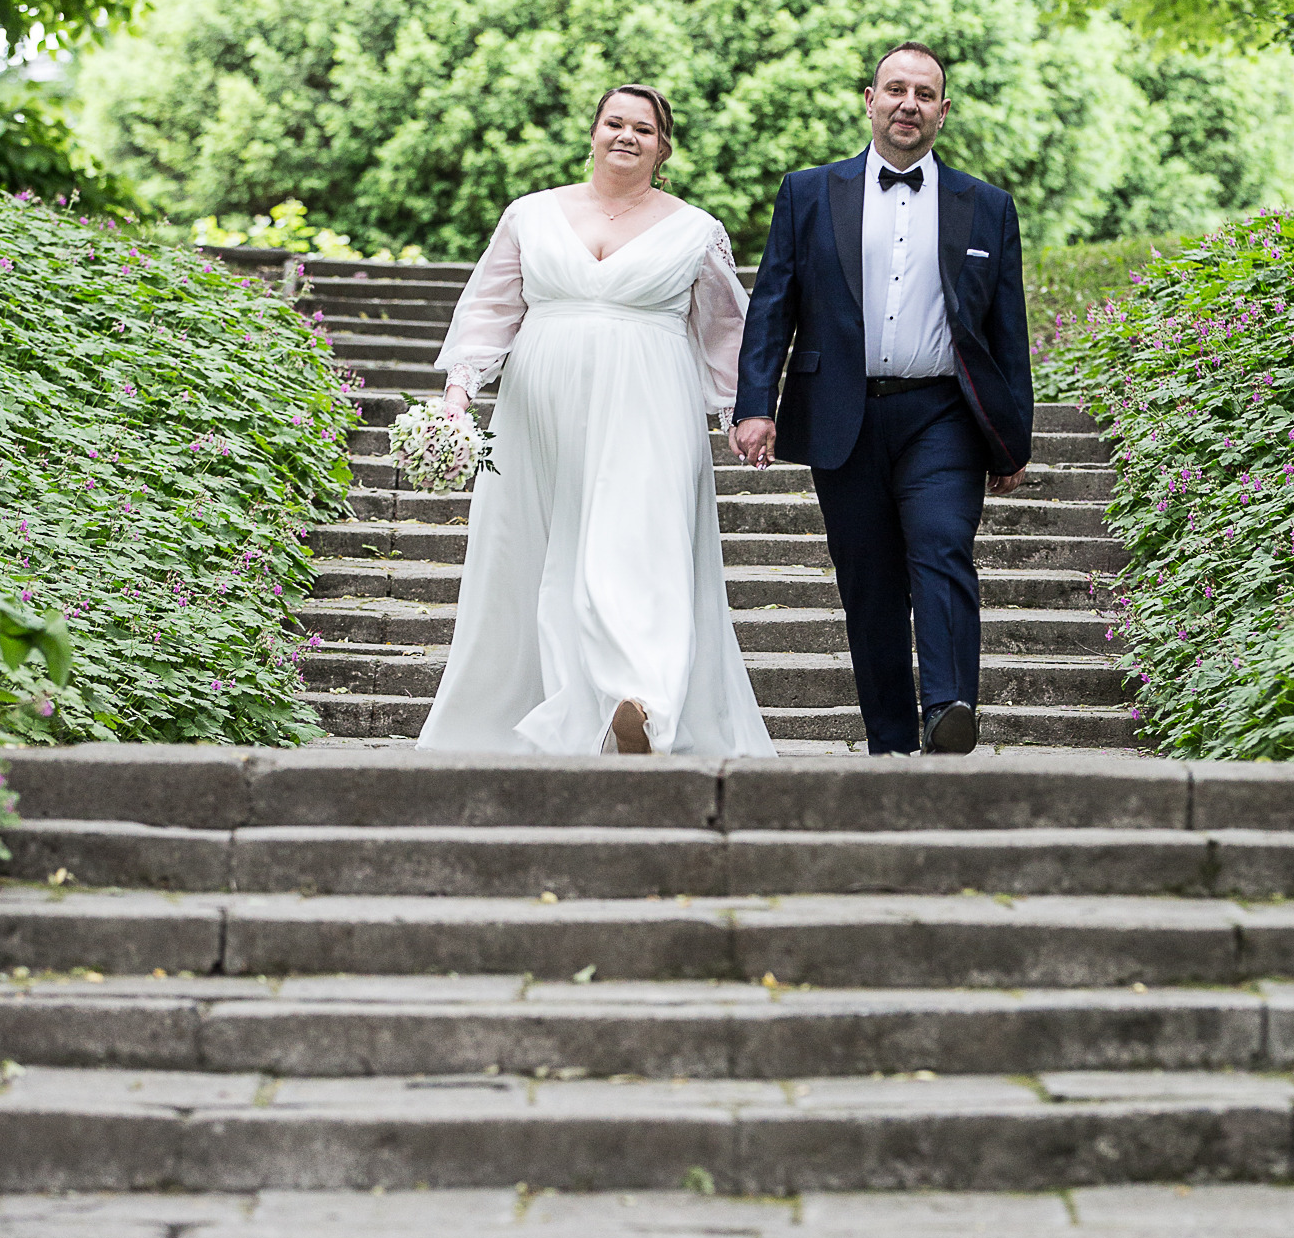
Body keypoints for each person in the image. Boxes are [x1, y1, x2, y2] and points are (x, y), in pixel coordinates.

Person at [418, 86, 774, 759]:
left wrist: (741, 411)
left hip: (652, 404)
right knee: (536, 552)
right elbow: (491, 308)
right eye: (615, 122)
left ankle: (639, 698)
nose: (626, 136)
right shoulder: (531, 214)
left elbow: (726, 328)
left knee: (638, 541)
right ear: (593, 133)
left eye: (644, 128)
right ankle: (543, 705)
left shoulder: (696, 229)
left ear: (663, 148)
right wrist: (459, 393)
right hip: (540, 411)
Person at [730, 42, 1032, 756]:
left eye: (924, 94)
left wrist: (1011, 438)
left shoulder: (986, 207)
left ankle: (949, 707)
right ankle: (890, 745)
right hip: (844, 412)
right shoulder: (808, 193)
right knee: (868, 582)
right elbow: (772, 304)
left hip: (943, 416)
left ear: (942, 112)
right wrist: (755, 404)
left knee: (942, 547)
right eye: (895, 89)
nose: (908, 104)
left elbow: (1006, 331)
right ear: (869, 100)